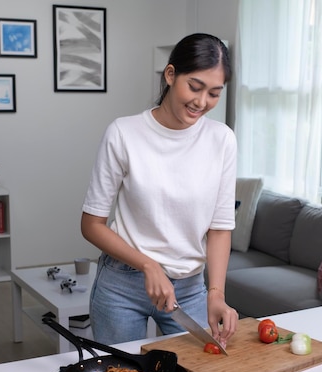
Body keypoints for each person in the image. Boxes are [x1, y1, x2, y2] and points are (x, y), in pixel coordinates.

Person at [81, 33, 239, 346]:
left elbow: (220, 227)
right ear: (170, 75)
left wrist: (216, 293)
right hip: (122, 284)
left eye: (214, 93)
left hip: (189, 287)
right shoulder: (124, 133)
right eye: (194, 86)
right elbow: (91, 225)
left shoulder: (222, 140)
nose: (201, 101)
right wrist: (148, 265)